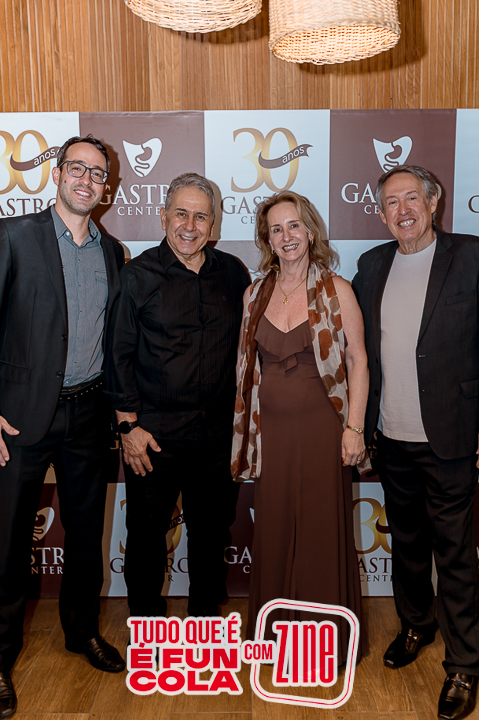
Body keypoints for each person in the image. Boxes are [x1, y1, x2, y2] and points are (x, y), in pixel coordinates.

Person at [0, 135, 126, 719]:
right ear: (57, 174)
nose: (85, 180)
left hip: (88, 414)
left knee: (85, 535)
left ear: (107, 188)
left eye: (97, 173)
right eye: (77, 168)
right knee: (6, 543)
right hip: (20, 417)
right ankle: (0, 659)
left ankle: (82, 632)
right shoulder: (12, 237)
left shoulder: (112, 251)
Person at [352, 165, 479, 720]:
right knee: (405, 543)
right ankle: (415, 626)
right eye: (391, 203)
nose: (402, 211)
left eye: (411, 199)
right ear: (381, 213)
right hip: (392, 434)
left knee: (455, 553)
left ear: (433, 202)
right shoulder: (371, 264)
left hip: (452, 434)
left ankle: (465, 664)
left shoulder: (471, 257)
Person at [231, 191, 369, 664]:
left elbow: (358, 360)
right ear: (267, 240)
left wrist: (354, 428)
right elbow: (245, 370)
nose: (286, 236)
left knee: (319, 528)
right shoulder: (254, 294)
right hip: (269, 434)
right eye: (276, 229)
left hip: (323, 430)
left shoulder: (337, 289)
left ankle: (325, 642)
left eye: (294, 226)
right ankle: (275, 638)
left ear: (310, 231)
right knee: (273, 528)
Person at [105, 172, 250, 619]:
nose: (190, 226)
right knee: (147, 537)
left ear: (214, 223)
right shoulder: (137, 275)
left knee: (212, 535)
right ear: (163, 216)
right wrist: (128, 428)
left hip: (217, 437)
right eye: (181, 214)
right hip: (153, 437)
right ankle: (147, 628)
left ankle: (206, 623)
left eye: (201, 217)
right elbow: (117, 355)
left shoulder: (233, 273)